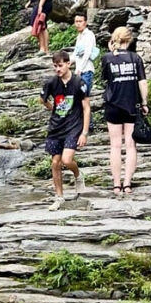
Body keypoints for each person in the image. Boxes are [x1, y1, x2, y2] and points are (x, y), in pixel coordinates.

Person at [100, 27, 148, 196]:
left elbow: (105, 79)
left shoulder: (107, 58)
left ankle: (116, 184)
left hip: (113, 105)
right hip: (132, 105)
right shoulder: (136, 58)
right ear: (129, 40)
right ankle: (127, 184)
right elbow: (142, 82)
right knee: (130, 146)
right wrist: (145, 102)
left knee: (114, 146)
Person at [40, 50, 89, 211]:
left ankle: (78, 175)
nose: (57, 69)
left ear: (69, 64)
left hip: (74, 126)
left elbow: (86, 108)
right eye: (55, 66)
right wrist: (53, 108)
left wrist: (84, 132)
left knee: (67, 160)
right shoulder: (51, 83)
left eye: (60, 66)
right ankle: (59, 197)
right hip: (56, 126)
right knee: (55, 162)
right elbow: (43, 99)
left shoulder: (78, 82)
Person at [71, 13, 97, 133]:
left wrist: (79, 69)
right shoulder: (79, 36)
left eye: (80, 21)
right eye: (76, 21)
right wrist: (67, 62)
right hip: (79, 71)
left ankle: (89, 125)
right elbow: (76, 53)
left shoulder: (89, 35)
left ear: (85, 22)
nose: (78, 24)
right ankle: (82, 123)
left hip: (86, 70)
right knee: (79, 97)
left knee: (83, 97)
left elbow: (87, 53)